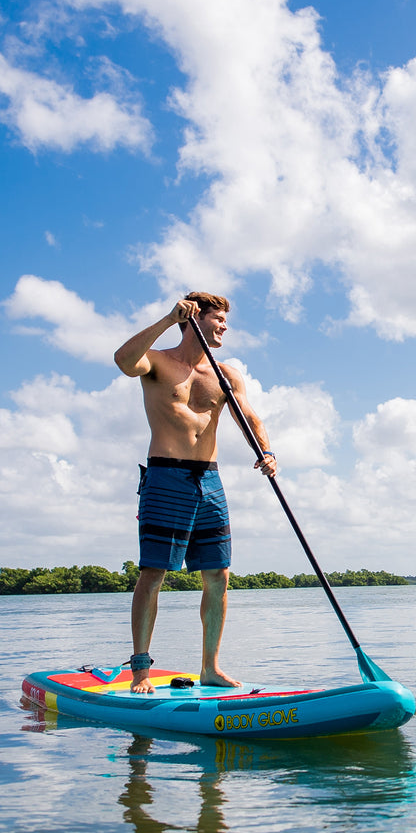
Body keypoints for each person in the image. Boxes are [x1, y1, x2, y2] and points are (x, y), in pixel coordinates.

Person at [114, 293, 277, 694]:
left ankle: (210, 668)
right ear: (194, 319)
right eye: (218, 319)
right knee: (154, 573)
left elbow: (249, 418)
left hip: (210, 480)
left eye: (225, 321)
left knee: (218, 575)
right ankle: (140, 670)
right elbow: (123, 360)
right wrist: (169, 319)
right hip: (166, 476)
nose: (224, 326)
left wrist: (267, 452)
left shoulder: (225, 375)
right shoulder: (158, 362)